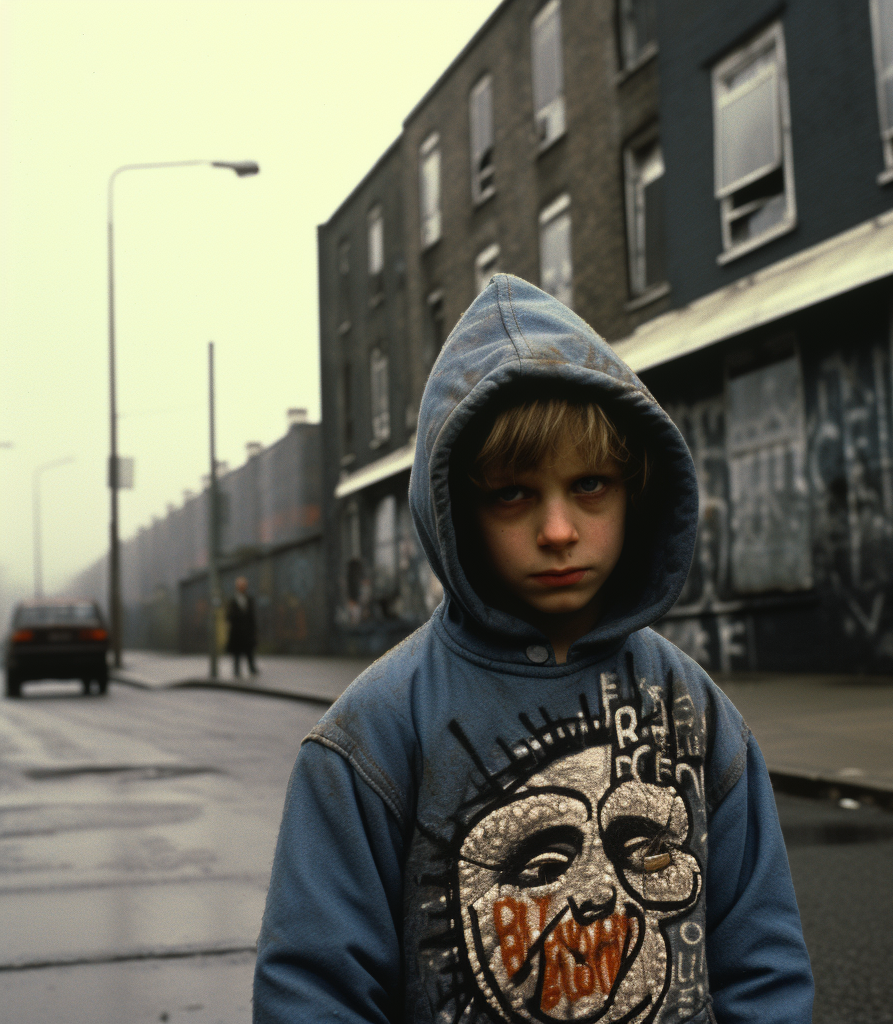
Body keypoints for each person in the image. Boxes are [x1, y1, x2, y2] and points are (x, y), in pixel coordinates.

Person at [254, 276, 813, 1024]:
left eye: (589, 485)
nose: (557, 530)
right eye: (513, 494)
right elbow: (315, 991)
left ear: (633, 491)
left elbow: (763, 963)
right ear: (457, 504)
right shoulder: (374, 734)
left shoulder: (696, 712)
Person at [226, 576, 257, 677]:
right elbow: (229, 616)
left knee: (249, 652)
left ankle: (252, 668)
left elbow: (252, 616)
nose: (242, 587)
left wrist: (253, 630)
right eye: (240, 586)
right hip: (237, 632)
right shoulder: (232, 600)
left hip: (248, 631)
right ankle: (236, 670)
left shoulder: (249, 599)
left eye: (244, 586)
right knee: (237, 653)